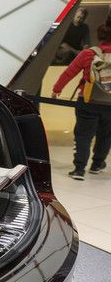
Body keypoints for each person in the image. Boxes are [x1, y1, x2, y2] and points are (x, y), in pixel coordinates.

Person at [52, 29, 111, 179]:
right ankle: (97, 164)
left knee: (83, 135)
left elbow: (69, 72)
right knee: (106, 135)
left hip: (87, 101)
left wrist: (57, 90)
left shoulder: (89, 53)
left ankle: (79, 169)